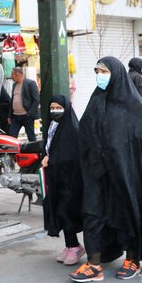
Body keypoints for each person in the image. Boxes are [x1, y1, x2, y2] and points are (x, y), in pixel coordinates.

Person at [70, 57, 142, 283]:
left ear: (116, 73)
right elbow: (85, 132)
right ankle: (93, 264)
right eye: (97, 71)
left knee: (129, 214)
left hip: (126, 175)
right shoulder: (96, 100)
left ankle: (132, 259)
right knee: (92, 214)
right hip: (97, 174)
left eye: (104, 71)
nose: (100, 75)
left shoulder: (133, 105)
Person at [41, 95, 84, 266]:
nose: (54, 111)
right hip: (56, 177)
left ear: (66, 108)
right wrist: (46, 156)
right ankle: (70, 245)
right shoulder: (53, 126)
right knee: (59, 210)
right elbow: (48, 147)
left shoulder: (72, 129)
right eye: (52, 108)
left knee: (66, 211)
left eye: (58, 108)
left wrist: (52, 159)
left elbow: (71, 155)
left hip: (70, 179)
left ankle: (75, 247)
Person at [9, 67, 40, 142]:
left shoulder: (30, 83)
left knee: (31, 135)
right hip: (16, 116)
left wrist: (29, 113)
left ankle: (34, 151)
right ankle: (11, 153)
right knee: (12, 136)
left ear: (18, 75)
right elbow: (12, 100)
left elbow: (36, 99)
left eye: (13, 74)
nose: (11, 76)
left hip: (27, 116)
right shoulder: (14, 85)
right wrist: (9, 116)